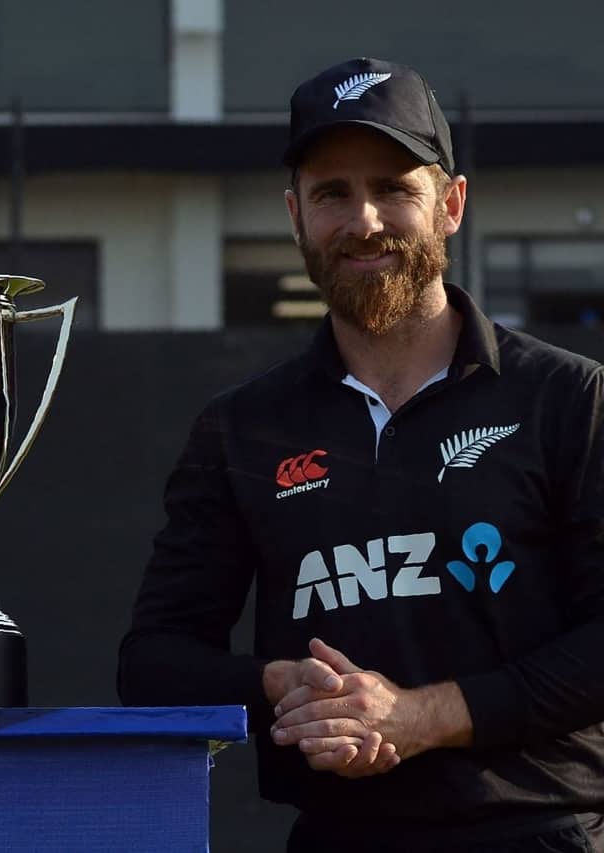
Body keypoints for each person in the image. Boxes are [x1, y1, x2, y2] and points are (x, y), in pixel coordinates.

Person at [118, 57, 604, 852]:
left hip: (538, 832)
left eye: (393, 188)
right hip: (337, 835)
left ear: (451, 204)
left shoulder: (568, 399)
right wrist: (279, 686)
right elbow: (152, 664)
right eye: (332, 193)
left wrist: (423, 716)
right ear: (295, 215)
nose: (364, 220)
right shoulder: (240, 428)